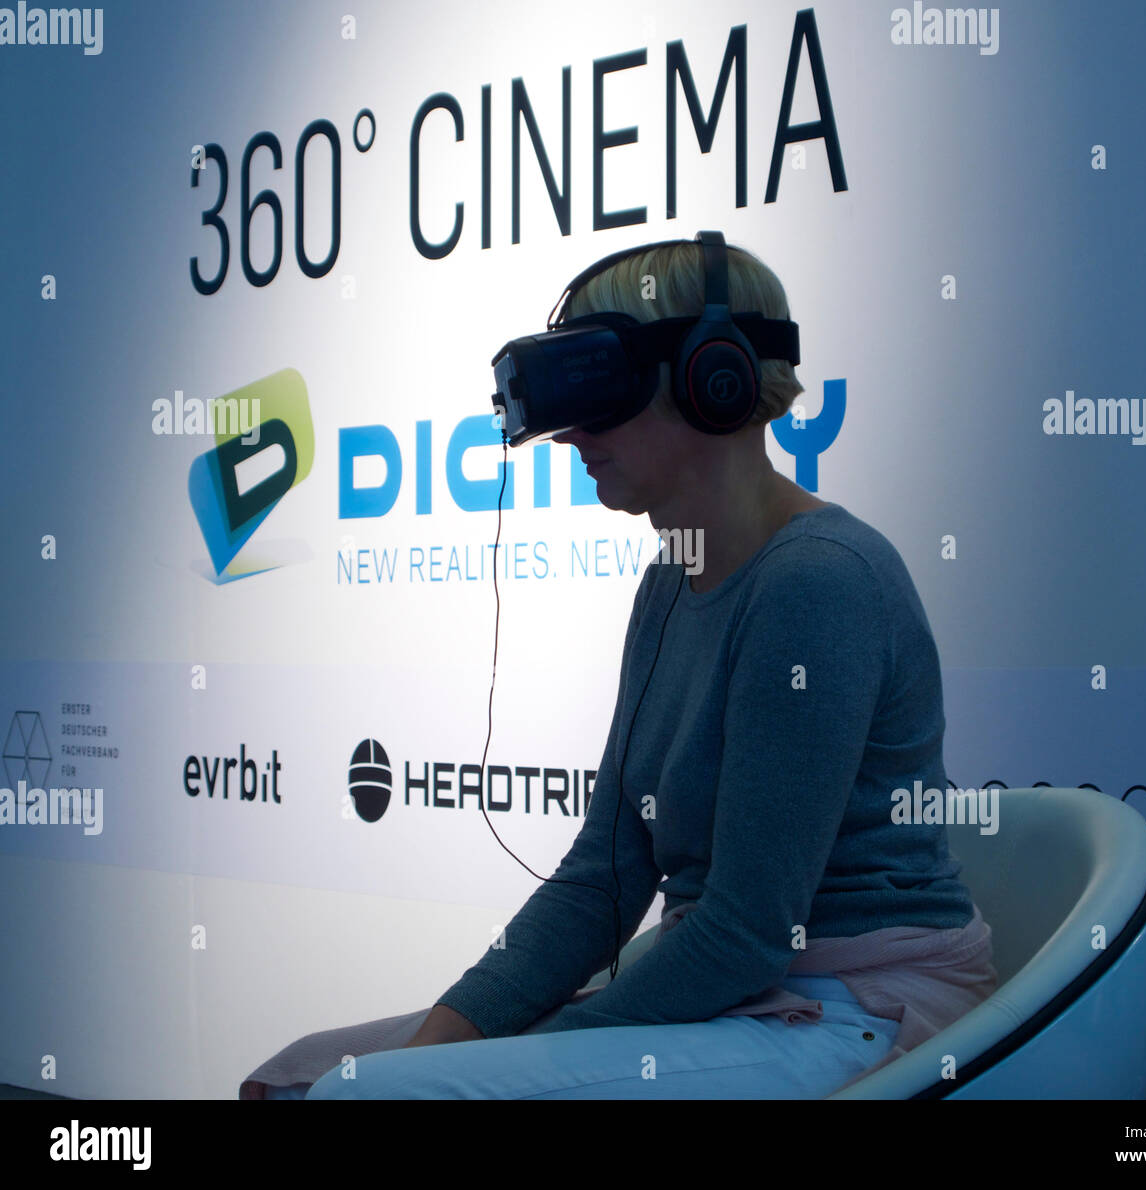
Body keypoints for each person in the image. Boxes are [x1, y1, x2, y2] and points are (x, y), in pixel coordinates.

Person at [255, 237, 996, 1100]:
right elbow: (601, 880)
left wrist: (499, 1057)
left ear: (708, 379)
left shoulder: (816, 581)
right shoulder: (670, 583)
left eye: (598, 390)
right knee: (301, 1077)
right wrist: (448, 1036)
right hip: (743, 994)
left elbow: (750, 932)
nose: (570, 433)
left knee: (373, 1097)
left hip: (852, 1007)